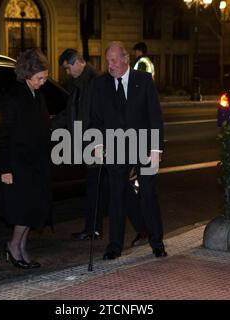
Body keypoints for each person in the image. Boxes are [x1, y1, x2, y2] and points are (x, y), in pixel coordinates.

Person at [89, 41, 167, 260]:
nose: (110, 65)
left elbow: (155, 116)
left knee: (148, 195)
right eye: (107, 61)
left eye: (114, 60)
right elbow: (94, 118)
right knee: (116, 196)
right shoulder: (100, 84)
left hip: (143, 145)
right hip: (114, 146)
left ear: (125, 60)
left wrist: (156, 148)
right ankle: (114, 246)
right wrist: (97, 144)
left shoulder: (143, 81)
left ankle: (157, 242)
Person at [0, 48, 52, 269]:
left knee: (33, 209)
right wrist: (5, 169)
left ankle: (21, 247)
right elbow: (3, 136)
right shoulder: (13, 98)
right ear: (27, 74)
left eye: (45, 78)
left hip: (35, 164)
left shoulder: (37, 95)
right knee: (23, 210)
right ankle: (13, 245)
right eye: (40, 78)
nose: (43, 82)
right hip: (18, 165)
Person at [52, 48, 106, 240]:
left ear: (78, 62)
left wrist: (98, 142)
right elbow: (70, 113)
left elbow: (102, 116)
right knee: (96, 187)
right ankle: (93, 228)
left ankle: (94, 229)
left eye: (68, 68)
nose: (66, 72)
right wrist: (50, 126)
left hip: (96, 144)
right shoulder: (76, 85)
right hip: (86, 144)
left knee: (101, 188)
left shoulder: (96, 82)